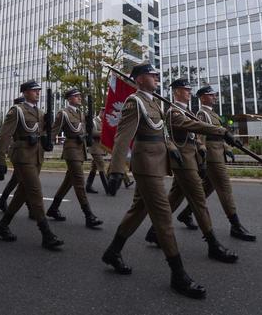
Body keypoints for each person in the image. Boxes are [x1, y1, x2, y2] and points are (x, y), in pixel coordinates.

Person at [102, 63, 242, 299]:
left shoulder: (155, 103)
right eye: (151, 75)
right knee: (163, 215)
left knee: (138, 210)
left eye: (157, 75)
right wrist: (116, 170)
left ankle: (112, 252)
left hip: (158, 163)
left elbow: (162, 132)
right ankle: (178, 274)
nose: (156, 77)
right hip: (145, 165)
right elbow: (122, 136)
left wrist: (171, 147)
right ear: (138, 79)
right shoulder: (134, 102)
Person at [143, 79, 238, 266]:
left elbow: (195, 136)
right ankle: (213, 244)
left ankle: (154, 232)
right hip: (183, 162)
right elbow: (195, 127)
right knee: (199, 200)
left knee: (175, 198)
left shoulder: (186, 111)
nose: (189, 93)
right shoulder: (173, 113)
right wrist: (221, 131)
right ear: (177, 92)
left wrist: (202, 150)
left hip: (190, 160)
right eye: (185, 90)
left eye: (189, 90)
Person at [175, 86, 256, 242]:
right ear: (202, 97)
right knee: (224, 188)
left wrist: (226, 148)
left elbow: (217, 134)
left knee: (207, 188)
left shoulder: (212, 113)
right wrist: (203, 157)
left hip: (218, 153)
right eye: (210, 95)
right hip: (211, 157)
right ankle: (235, 225)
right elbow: (201, 136)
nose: (214, 97)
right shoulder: (202, 113)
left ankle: (185, 214)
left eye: (214, 95)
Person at [0, 81, 63, 249]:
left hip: (37, 155)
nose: (37, 93)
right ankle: (46, 234)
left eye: (38, 91)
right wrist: (0, 161)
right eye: (34, 91)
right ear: (24, 93)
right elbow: (4, 136)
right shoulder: (17, 111)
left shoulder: (41, 112)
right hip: (22, 155)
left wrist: (48, 134)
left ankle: (2, 226)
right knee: (35, 192)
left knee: (22, 193)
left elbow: (42, 132)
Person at [46, 88, 103, 229]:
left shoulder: (81, 114)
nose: (79, 98)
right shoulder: (63, 113)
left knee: (68, 182)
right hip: (71, 149)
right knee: (79, 182)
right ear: (69, 98)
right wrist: (47, 144)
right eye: (76, 96)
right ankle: (89, 215)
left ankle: (53, 208)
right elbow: (54, 131)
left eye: (79, 96)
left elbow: (84, 131)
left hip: (80, 149)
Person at [85, 108, 109, 194]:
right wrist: (105, 132)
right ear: (101, 112)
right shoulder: (94, 121)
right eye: (104, 113)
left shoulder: (103, 122)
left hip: (100, 148)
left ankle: (88, 186)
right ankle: (107, 188)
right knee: (102, 165)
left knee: (94, 168)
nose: (105, 115)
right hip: (95, 148)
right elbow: (93, 133)